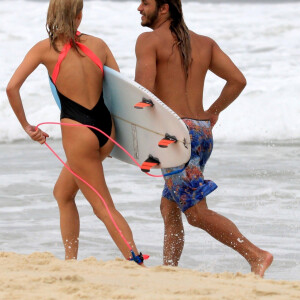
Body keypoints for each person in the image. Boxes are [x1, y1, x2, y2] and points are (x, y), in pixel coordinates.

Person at [135, 0, 273, 276]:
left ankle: (256, 255)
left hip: (173, 135)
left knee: (196, 213)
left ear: (164, 8)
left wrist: (132, 133)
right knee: (169, 205)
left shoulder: (148, 41)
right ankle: (170, 270)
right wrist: (212, 112)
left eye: (145, 2)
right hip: (200, 132)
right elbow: (238, 80)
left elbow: (143, 93)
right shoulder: (205, 43)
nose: (139, 8)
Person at [6, 0, 145, 265]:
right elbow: (121, 91)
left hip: (79, 134)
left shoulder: (43, 50)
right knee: (63, 193)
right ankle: (70, 260)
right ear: (79, 16)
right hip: (106, 128)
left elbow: (12, 88)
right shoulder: (99, 45)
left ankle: (136, 260)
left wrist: (27, 127)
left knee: (102, 206)